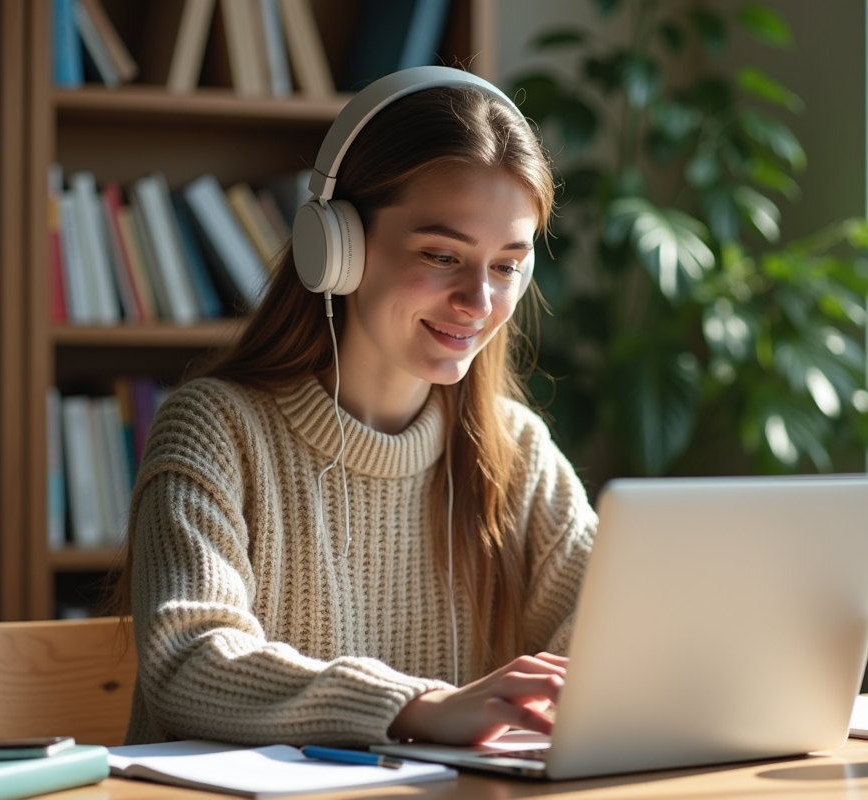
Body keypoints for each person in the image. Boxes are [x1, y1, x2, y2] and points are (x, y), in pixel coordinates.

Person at [117, 69, 597, 749]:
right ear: (335, 246)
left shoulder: (515, 451)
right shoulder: (215, 429)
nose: (479, 302)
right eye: (442, 254)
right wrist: (420, 706)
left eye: (506, 266)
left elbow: (610, 628)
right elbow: (189, 660)